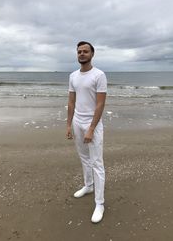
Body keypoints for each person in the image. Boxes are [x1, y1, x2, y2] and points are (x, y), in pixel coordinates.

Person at [66, 41, 107, 223]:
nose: (82, 54)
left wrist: (91, 128)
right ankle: (88, 185)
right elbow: (71, 102)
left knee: (97, 162)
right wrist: (68, 125)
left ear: (92, 54)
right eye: (79, 51)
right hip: (77, 121)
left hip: (93, 124)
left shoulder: (99, 75)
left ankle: (100, 203)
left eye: (85, 51)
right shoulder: (73, 76)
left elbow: (100, 104)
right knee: (84, 158)